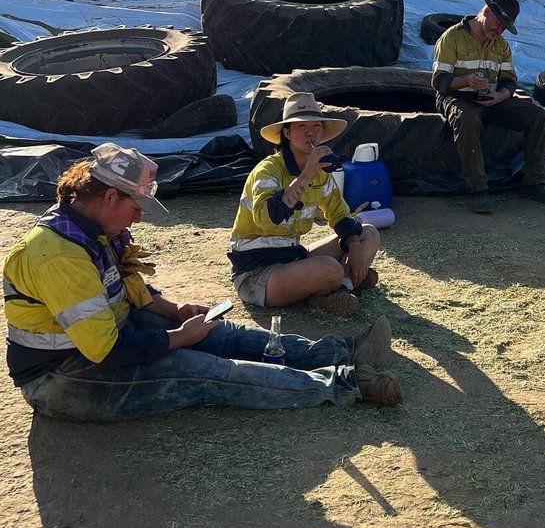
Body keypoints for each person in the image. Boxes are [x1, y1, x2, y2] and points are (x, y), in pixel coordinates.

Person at [2, 143, 401, 422]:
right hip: (62, 377)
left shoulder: (88, 230)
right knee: (206, 371)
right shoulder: (58, 255)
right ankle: (344, 383)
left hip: (108, 336)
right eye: (134, 206)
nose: (138, 217)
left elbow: (124, 286)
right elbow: (108, 350)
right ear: (108, 197)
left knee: (218, 334)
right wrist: (178, 337)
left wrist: (172, 312)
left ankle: (338, 350)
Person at [229, 93, 381, 317]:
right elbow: (267, 217)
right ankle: (338, 283)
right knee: (330, 268)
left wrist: (354, 245)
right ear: (287, 133)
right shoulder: (268, 170)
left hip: (294, 256)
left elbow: (339, 213)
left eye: (316, 126)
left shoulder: (321, 173)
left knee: (368, 233)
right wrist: (305, 175)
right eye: (301, 126)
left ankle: (343, 286)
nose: (310, 132)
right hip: (257, 272)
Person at [432, 0, 545, 214]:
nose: (499, 30)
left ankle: (534, 182)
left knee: (537, 115)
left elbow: (509, 80)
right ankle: (477, 189)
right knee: (466, 119)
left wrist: (500, 96)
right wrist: (466, 80)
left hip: (492, 98)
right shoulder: (452, 37)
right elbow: (439, 81)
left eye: (504, 27)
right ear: (486, 12)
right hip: (457, 97)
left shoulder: (502, 46)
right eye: (498, 23)